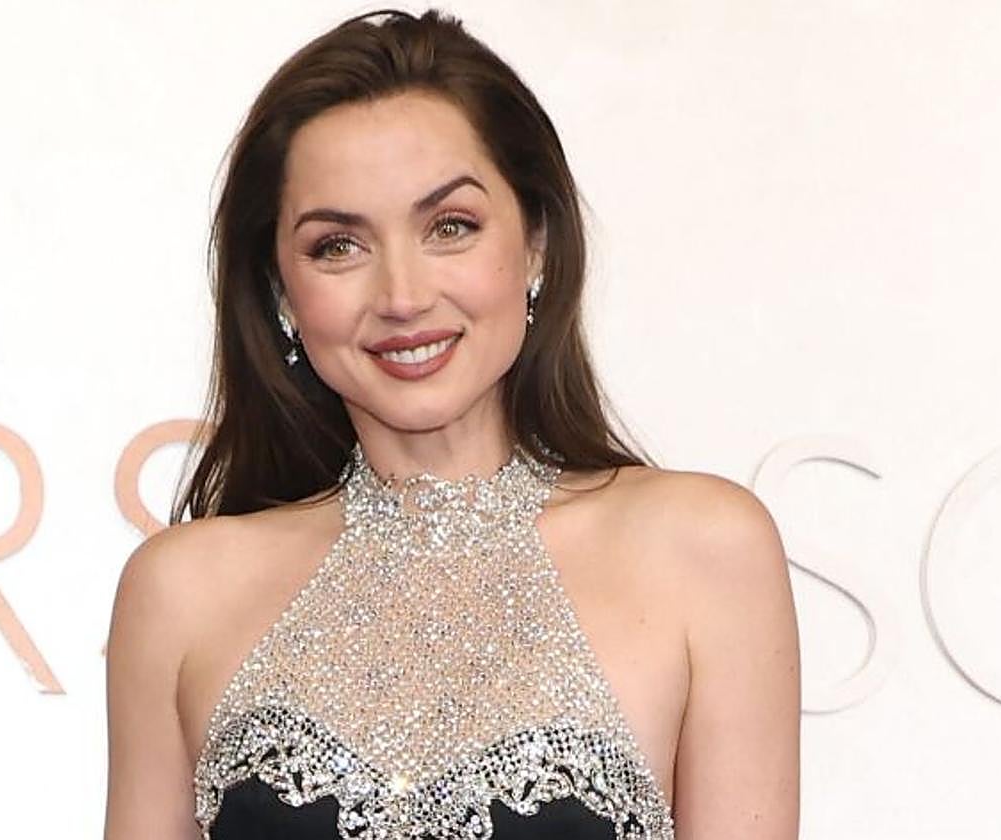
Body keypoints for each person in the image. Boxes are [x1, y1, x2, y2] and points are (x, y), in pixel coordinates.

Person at [104, 7, 800, 839]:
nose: (402, 296)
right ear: (281, 289)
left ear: (535, 242)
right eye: (338, 245)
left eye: (450, 227)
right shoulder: (179, 593)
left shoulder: (702, 550)